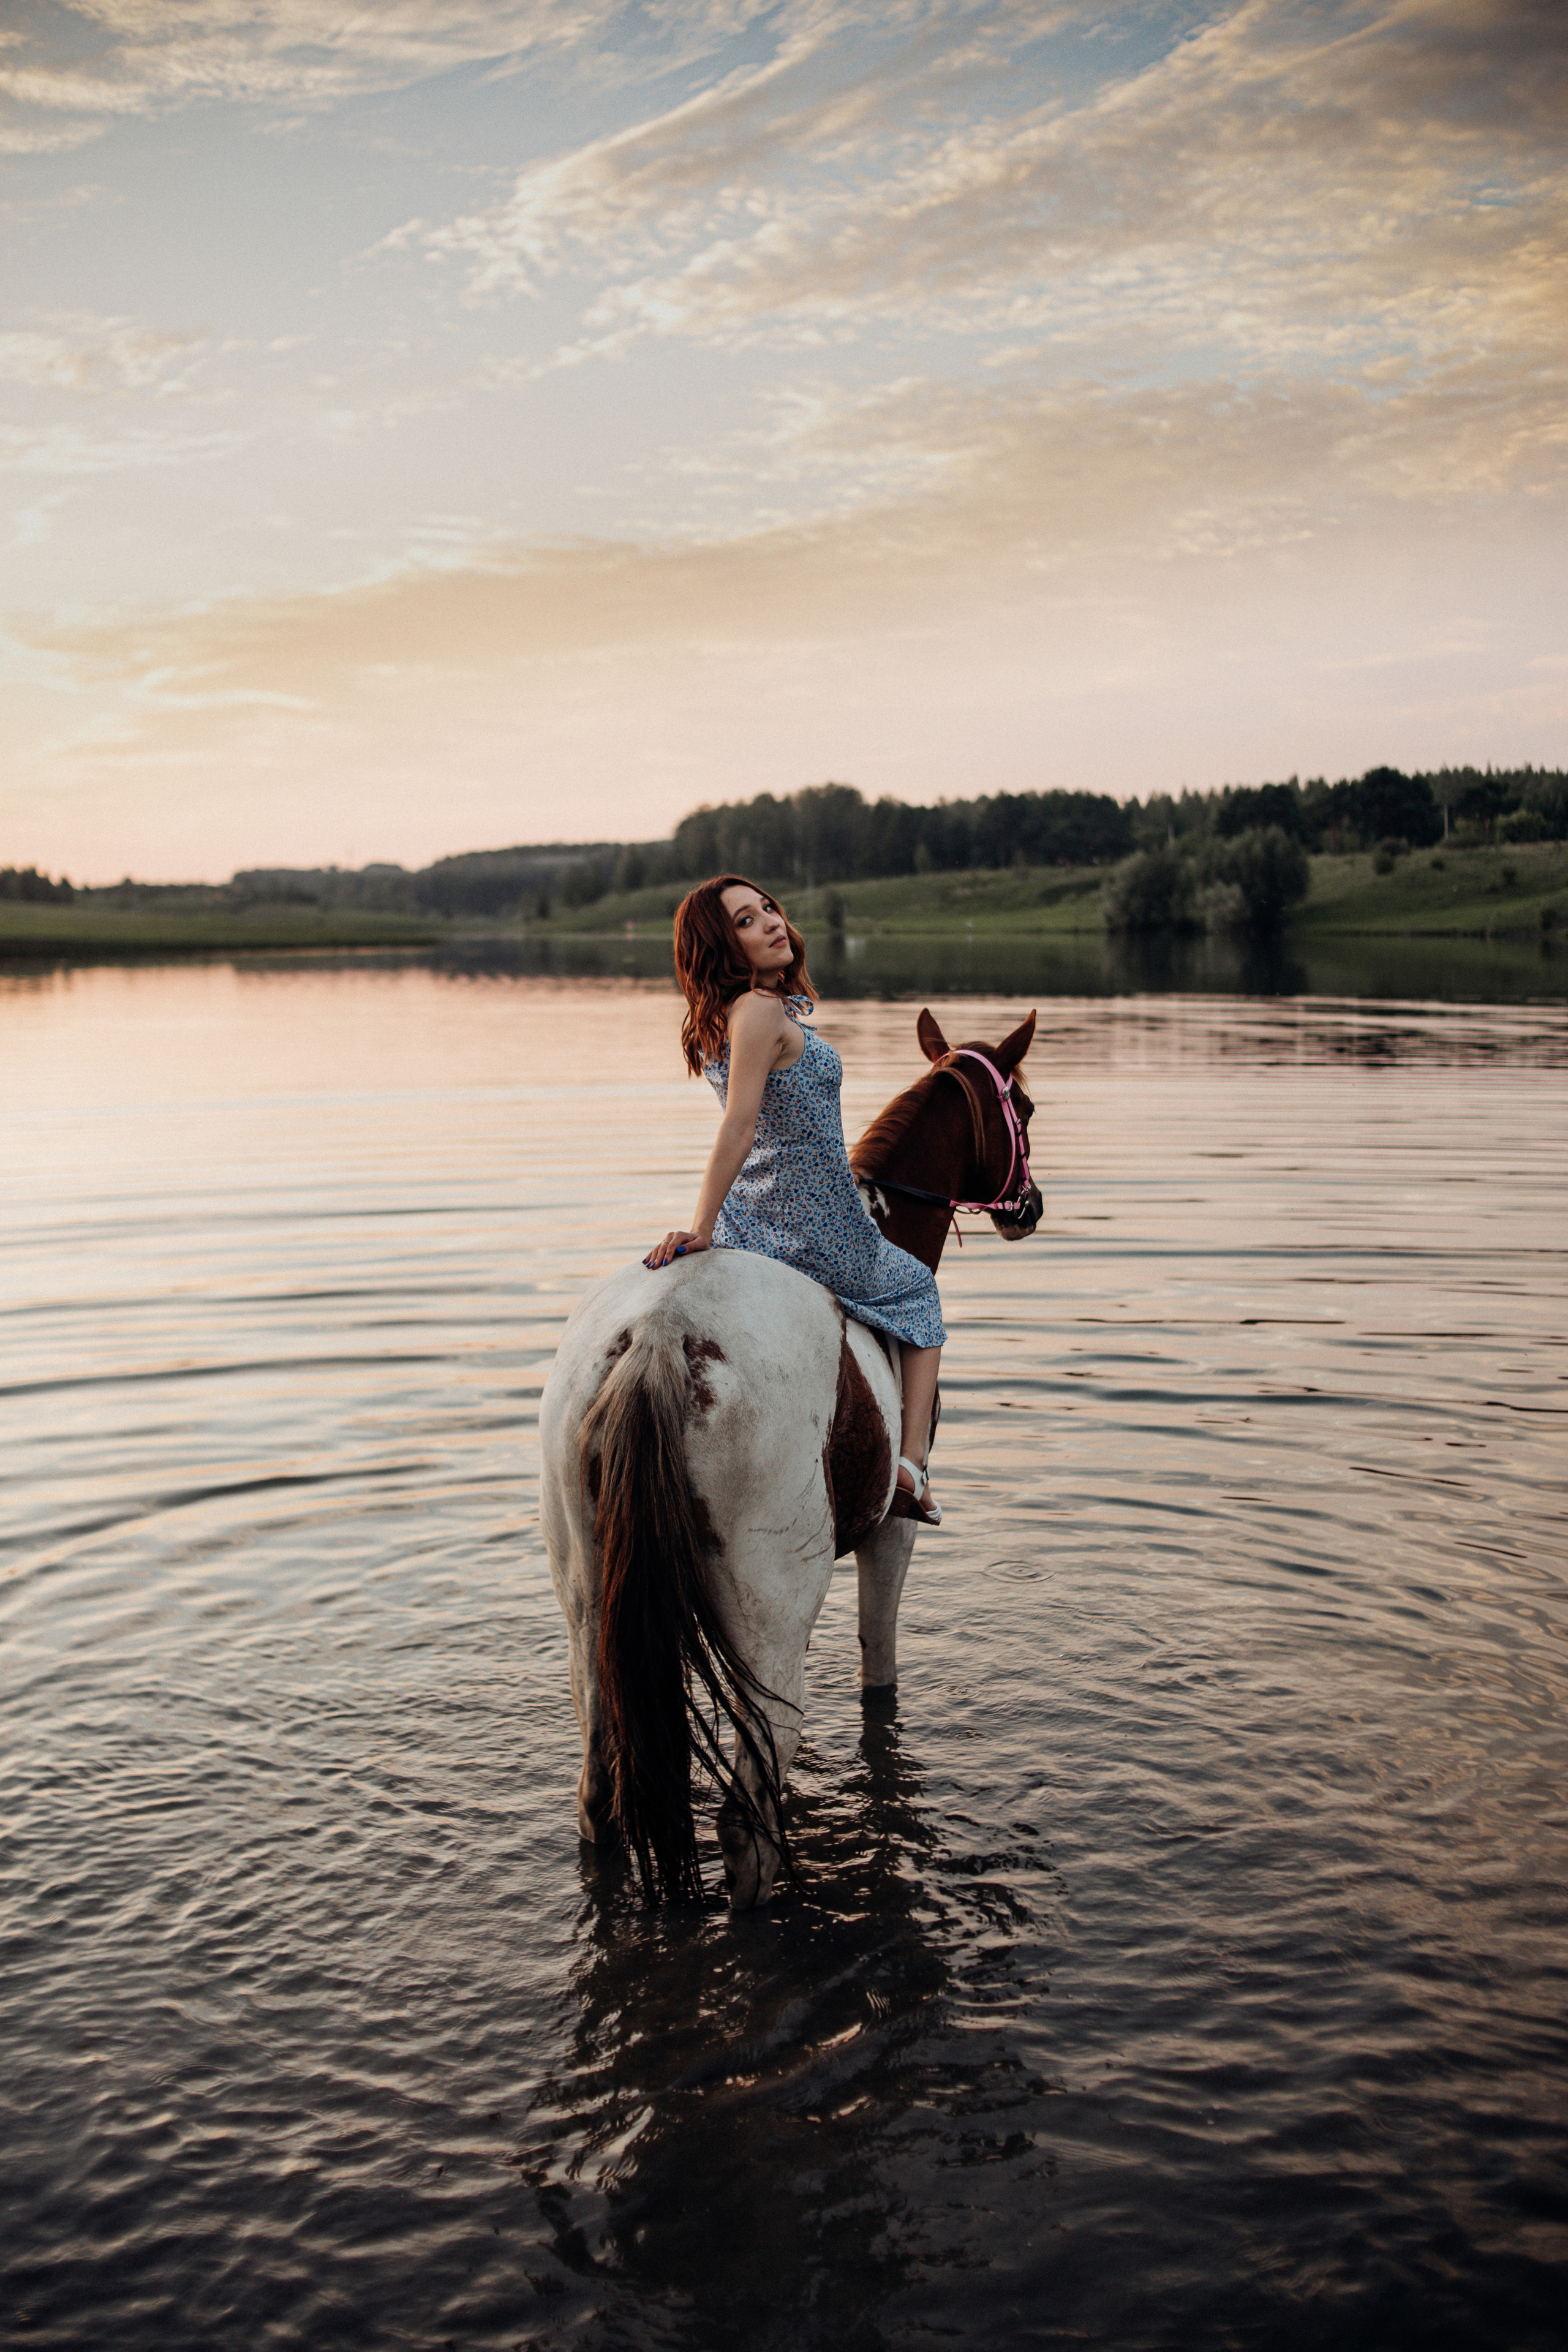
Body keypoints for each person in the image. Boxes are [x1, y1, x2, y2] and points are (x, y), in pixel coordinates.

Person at [644, 873, 944, 1524]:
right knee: (918, 1291)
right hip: (813, 1229)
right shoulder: (759, 1012)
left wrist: (715, 1228)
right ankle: (912, 1468)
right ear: (722, 947)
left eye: (768, 908)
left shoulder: (726, 1019)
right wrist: (699, 1227)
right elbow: (741, 1125)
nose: (772, 922)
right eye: (746, 922)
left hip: (752, 1219)